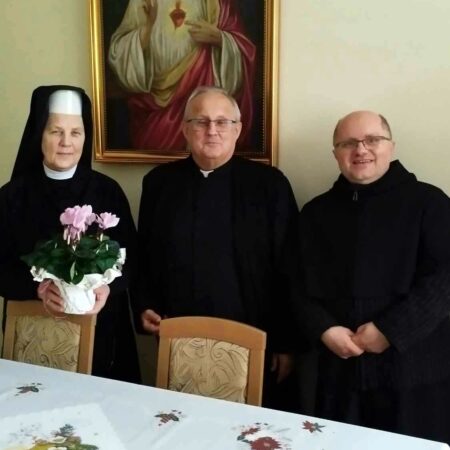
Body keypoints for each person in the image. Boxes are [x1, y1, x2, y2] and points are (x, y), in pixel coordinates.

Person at [134, 85, 300, 409]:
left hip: (256, 335)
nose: (212, 130)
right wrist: (145, 305)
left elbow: (291, 268)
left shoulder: (270, 185)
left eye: (223, 122)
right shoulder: (159, 183)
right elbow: (145, 255)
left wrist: (286, 343)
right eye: (201, 121)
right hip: (179, 332)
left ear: (238, 129)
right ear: (185, 129)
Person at [296, 110, 450, 442]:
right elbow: (294, 283)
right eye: (348, 143)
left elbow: (444, 281)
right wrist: (324, 329)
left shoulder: (430, 203)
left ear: (391, 146)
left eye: (372, 140)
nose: (361, 150)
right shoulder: (314, 213)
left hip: (414, 374)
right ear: (336, 153)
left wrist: (390, 331)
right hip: (338, 373)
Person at [0, 85, 141, 383]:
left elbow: (133, 260)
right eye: (56, 132)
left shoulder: (107, 192)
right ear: (39, 134)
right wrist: (37, 289)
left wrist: (108, 287)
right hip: (33, 338)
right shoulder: (12, 197)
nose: (66, 142)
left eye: (75, 132)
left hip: (103, 332)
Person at [108, 0, 255, 150]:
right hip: (154, 108)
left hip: (203, 100)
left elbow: (245, 51)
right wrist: (146, 30)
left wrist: (219, 38)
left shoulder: (217, 3)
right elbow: (119, 54)